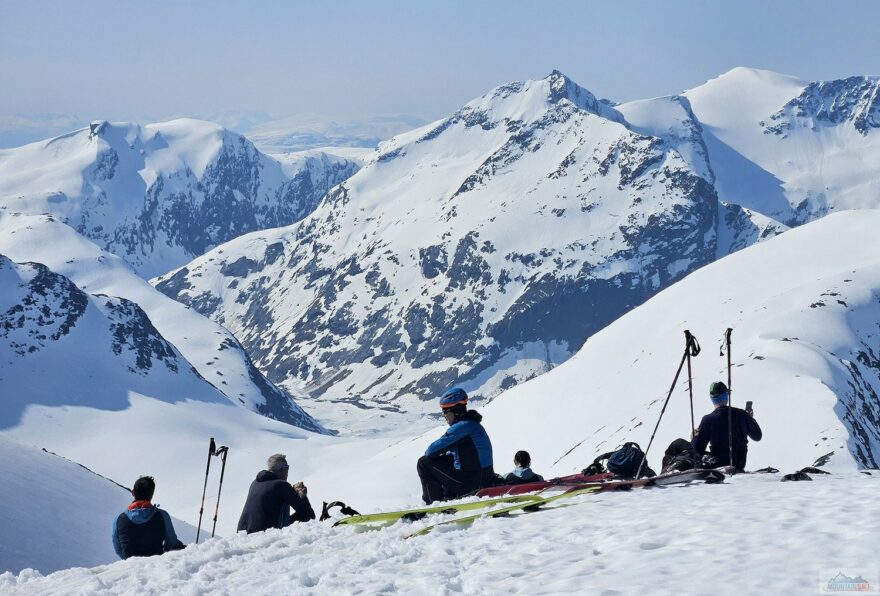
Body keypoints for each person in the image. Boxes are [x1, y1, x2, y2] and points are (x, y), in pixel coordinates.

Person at [417, 387, 494, 504]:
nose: (444, 415)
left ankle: (433, 504)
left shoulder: (462, 427)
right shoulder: (472, 424)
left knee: (424, 462)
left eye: (445, 411)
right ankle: (448, 496)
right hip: (482, 478)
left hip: (472, 483)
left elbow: (430, 452)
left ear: (455, 411)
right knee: (448, 459)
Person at [692, 381, 762, 471]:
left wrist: (695, 436)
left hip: (718, 464)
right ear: (726, 395)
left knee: (679, 444)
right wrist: (750, 419)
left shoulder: (708, 419)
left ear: (711, 398)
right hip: (739, 464)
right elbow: (757, 436)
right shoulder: (742, 414)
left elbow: (697, 449)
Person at [237, 453, 315, 534]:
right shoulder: (282, 485)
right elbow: (308, 515)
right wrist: (302, 496)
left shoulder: (255, 483)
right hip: (265, 534)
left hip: (243, 533)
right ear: (281, 469)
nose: (287, 472)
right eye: (287, 468)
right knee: (305, 513)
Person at [112, 476, 185, 559]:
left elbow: (118, 549)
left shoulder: (118, 519)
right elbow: (171, 544)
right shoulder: (162, 515)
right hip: (155, 565)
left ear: (133, 493)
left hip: (130, 565)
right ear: (152, 495)